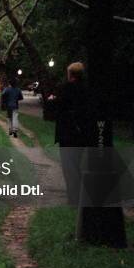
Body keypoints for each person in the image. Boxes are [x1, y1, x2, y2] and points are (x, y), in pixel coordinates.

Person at [47, 62, 93, 204]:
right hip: (82, 132)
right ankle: (79, 194)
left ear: (70, 74)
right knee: (78, 163)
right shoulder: (86, 90)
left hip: (67, 132)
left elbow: (57, 108)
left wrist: (51, 101)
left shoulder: (65, 88)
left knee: (69, 165)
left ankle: (74, 196)